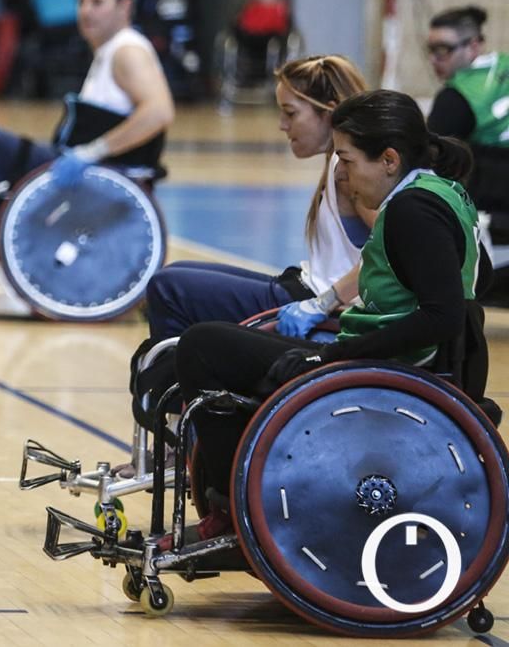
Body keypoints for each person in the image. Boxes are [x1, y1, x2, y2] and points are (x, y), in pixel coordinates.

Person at [171, 89, 488, 546]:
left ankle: (234, 510)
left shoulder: (411, 210)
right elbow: (476, 284)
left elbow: (443, 315)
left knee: (202, 347)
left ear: (389, 159)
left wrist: (341, 352)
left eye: (348, 159)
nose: (343, 175)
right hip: (395, 362)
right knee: (217, 346)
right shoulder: (444, 192)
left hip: (387, 373)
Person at [145, 55, 375, 341]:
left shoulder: (349, 170)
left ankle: (176, 378)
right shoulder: (338, 162)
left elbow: (392, 250)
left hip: (322, 302)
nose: (282, 125)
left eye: (290, 113)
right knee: (178, 271)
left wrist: (325, 302)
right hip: (303, 283)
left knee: (168, 287)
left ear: (328, 113)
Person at [0, 0, 174, 261]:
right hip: (85, 168)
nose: (86, 11)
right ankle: (9, 247)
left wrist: (92, 152)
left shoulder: (127, 51)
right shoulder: (108, 50)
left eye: (97, 2)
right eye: (82, 1)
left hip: (100, 177)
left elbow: (159, 112)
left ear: (124, 7)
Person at [425, 5, 509, 302]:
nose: (435, 60)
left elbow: (429, 158)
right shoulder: (504, 64)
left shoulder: (458, 96)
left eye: (444, 50)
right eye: (431, 50)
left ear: (474, 45)